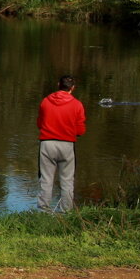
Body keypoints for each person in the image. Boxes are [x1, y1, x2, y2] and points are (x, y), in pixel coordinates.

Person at [36, 74, 86, 213]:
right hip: (67, 145)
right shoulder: (77, 104)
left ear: (58, 85)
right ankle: (66, 212)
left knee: (46, 179)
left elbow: (39, 124)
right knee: (67, 181)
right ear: (73, 88)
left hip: (47, 143)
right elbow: (80, 130)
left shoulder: (45, 101)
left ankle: (43, 212)